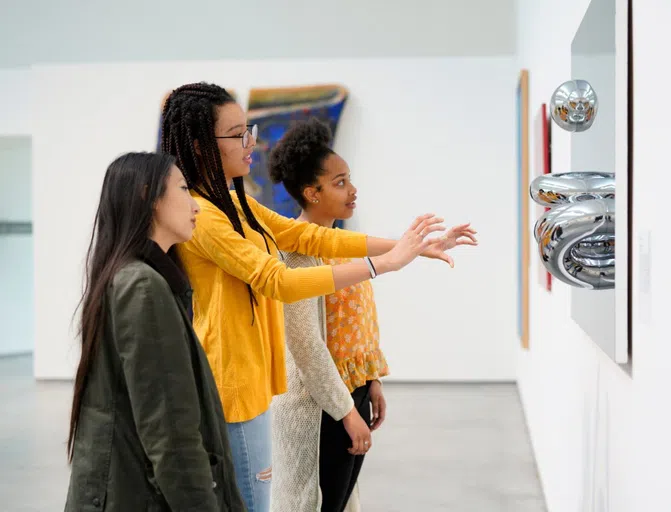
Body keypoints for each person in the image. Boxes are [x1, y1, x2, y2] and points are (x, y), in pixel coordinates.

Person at [160, 82, 477, 512]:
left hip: (256, 384)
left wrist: (409, 246)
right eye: (237, 134)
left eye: (247, 130)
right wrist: (387, 262)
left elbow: (305, 235)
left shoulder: (236, 204)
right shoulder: (206, 215)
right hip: (232, 386)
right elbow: (279, 280)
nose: (250, 142)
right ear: (200, 146)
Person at [267, 119, 477, 512]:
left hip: (350, 396)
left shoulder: (342, 243)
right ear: (312, 192)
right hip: (320, 410)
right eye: (340, 182)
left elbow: (357, 323)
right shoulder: (296, 256)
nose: (353, 190)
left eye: (349, 179)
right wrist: (346, 411)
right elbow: (307, 348)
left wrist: (371, 381)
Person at [65, 152, 246, 511]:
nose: (195, 205)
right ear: (149, 196)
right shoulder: (143, 287)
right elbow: (171, 434)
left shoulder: (133, 277)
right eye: (182, 189)